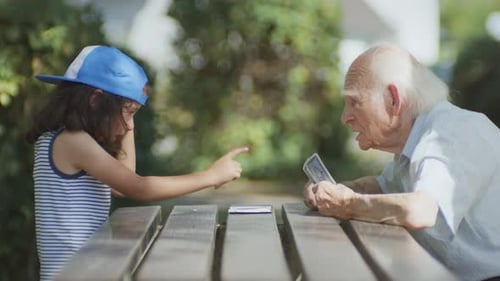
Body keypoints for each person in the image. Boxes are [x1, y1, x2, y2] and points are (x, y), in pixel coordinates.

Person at [27, 45, 248, 281]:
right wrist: (210, 176)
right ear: (95, 99)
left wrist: (125, 126)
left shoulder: (60, 139)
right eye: (129, 112)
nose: (131, 125)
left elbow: (122, 184)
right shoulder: (73, 142)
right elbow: (138, 187)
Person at [303, 43, 500, 281]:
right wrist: (334, 191)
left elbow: (419, 211)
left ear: (394, 100)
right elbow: (379, 186)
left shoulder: (449, 134)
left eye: (355, 102)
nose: (345, 117)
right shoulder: (418, 138)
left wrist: (346, 204)